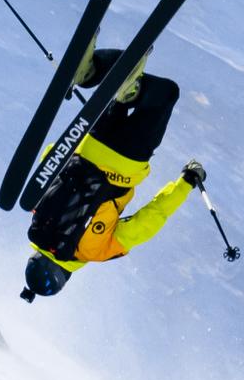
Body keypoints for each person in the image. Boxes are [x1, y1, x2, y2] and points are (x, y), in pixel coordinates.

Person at [21, 45, 205, 302]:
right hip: (89, 142)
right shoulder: (37, 213)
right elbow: (51, 159)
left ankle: (128, 89)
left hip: (127, 160)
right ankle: (93, 71)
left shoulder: (94, 252)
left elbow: (149, 220)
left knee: (165, 94)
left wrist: (186, 182)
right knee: (120, 78)